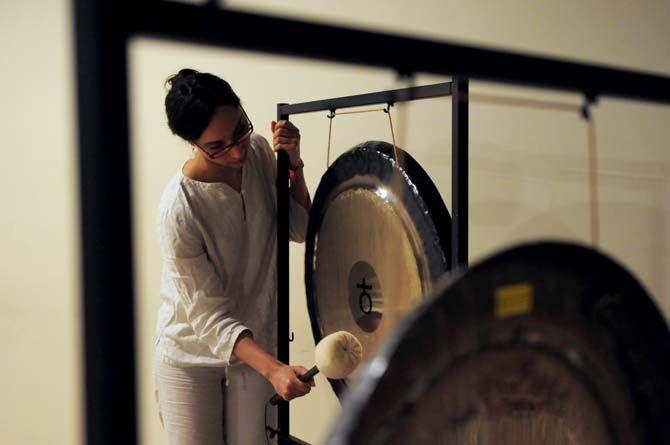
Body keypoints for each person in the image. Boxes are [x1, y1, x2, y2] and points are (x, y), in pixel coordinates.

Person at [152, 68, 314, 445]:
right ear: (192, 142)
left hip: (256, 341)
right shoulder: (179, 208)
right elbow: (208, 316)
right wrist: (275, 369)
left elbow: (302, 228)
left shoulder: (258, 151)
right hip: (189, 353)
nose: (237, 150)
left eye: (240, 129)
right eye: (218, 146)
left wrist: (294, 164)